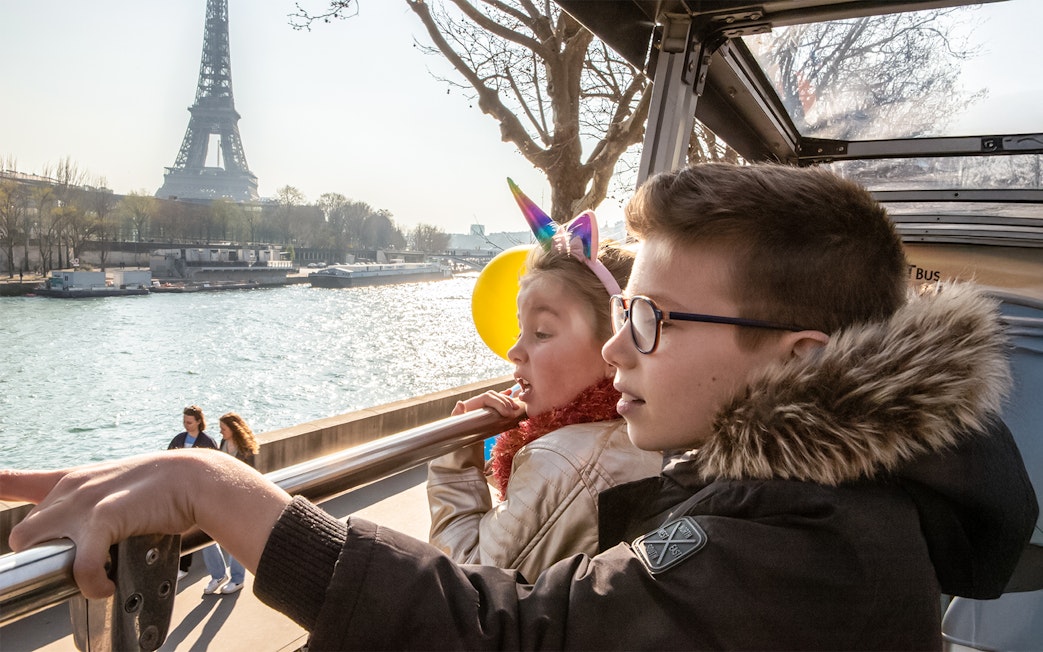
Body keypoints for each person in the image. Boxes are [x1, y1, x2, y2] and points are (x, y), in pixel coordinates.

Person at [2, 164, 1037, 650]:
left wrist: (212, 487)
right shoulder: (827, 501)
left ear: (791, 358)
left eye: (650, 317)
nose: (624, 343)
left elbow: (521, 639)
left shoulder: (802, 540)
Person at [427, 181, 662, 581]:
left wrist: (453, 456)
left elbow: (466, 585)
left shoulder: (563, 461)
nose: (513, 351)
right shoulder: (642, 431)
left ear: (616, 348)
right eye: (520, 331)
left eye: (542, 333)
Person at [166, 405, 225, 593]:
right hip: (181, 493)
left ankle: (196, 569)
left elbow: (214, 468)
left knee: (196, 532)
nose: (186, 425)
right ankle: (183, 566)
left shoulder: (208, 442)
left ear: (199, 421)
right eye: (184, 421)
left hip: (199, 494)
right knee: (182, 530)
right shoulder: (179, 439)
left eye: (189, 422)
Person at [207, 411, 261, 595]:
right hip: (220, 497)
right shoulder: (223, 443)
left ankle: (238, 579)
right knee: (207, 536)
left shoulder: (247, 450)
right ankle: (218, 574)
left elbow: (251, 477)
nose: (220, 431)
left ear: (233, 429)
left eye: (223, 428)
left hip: (239, 501)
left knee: (236, 540)